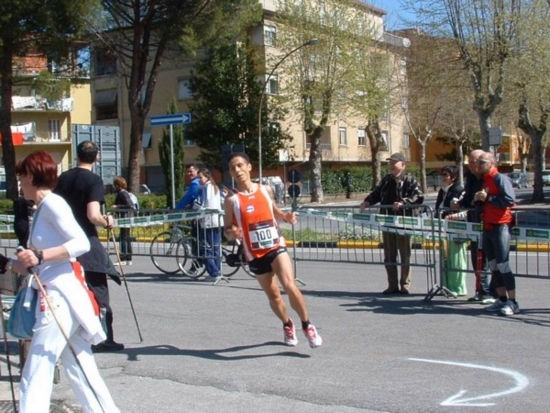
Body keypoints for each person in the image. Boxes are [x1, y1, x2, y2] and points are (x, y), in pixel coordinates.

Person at [10, 150, 119, 413]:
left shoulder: (52, 204)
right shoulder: (43, 208)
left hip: (59, 298)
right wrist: (7, 264)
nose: (19, 182)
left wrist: (38, 254)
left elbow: (80, 243)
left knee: (38, 366)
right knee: (80, 367)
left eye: (22, 176)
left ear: (32, 176)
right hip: (60, 295)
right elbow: (39, 263)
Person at [223, 152, 322, 348]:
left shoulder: (265, 190)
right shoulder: (232, 200)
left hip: (276, 246)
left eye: (241, 165)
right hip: (254, 253)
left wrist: (286, 217)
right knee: (274, 296)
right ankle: (287, 324)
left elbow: (275, 211)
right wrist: (232, 233)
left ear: (249, 167)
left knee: (289, 285)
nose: (237, 170)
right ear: (231, 173)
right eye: (233, 168)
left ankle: (307, 325)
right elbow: (226, 229)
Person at [54, 140, 124, 353]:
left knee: (68, 291)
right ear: (97, 157)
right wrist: (107, 221)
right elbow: (93, 215)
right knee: (98, 291)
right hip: (86, 243)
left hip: (63, 243)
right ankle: (103, 338)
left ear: (77, 156)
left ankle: (67, 334)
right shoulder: (93, 180)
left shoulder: (63, 178)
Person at [359, 152, 424, 295]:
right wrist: (367, 201)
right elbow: (376, 193)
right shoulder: (387, 180)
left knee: (405, 255)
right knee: (389, 255)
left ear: (403, 164)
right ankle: (392, 285)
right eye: (390, 163)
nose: (391, 166)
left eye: (394, 163)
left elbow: (418, 196)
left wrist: (403, 203)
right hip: (387, 223)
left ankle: (405, 285)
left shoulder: (410, 179)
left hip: (404, 224)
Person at [473, 152, 518, 315]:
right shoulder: (485, 180)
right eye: (478, 162)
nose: (478, 165)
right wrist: (477, 199)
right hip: (488, 227)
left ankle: (513, 302)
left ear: (492, 163)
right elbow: (485, 201)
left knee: (503, 264)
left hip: (500, 226)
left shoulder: (500, 178)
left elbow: (509, 200)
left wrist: (488, 198)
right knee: (493, 265)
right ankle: (502, 299)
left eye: (482, 162)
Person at [450, 149, 495, 304]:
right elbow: (468, 197)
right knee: (477, 258)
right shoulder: (470, 178)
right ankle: (480, 290)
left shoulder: (489, 178)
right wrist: (458, 203)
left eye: (474, 162)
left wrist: (486, 198)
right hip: (473, 223)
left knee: (489, 259)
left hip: (487, 222)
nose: (471, 165)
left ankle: (491, 292)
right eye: (469, 162)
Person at [435, 165, 467, 296]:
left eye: (446, 175)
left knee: (457, 260)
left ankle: (458, 288)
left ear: (453, 177)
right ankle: (445, 286)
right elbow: (438, 208)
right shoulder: (442, 191)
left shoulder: (460, 190)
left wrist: (454, 216)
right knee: (445, 259)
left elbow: (466, 211)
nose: (443, 178)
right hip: (444, 229)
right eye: (442, 175)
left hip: (457, 229)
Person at [195, 168, 224, 282]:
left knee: (206, 249)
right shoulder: (216, 187)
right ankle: (218, 271)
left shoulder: (204, 188)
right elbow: (222, 200)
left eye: (200, 177)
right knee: (216, 248)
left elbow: (198, 203)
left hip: (207, 222)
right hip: (217, 221)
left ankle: (213, 273)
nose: (199, 180)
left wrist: (193, 213)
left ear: (206, 177)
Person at [111, 176, 134, 266]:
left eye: (114, 184)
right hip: (126, 218)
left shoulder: (122, 193)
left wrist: (117, 207)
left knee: (124, 238)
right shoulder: (124, 193)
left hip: (125, 218)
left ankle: (124, 258)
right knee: (126, 237)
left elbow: (129, 205)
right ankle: (128, 258)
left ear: (117, 185)